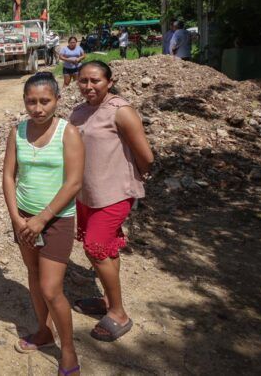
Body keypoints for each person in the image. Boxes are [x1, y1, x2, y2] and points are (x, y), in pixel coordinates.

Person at [2, 73, 83, 376]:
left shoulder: (68, 133)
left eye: (45, 101)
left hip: (56, 220)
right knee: (34, 276)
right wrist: (16, 217)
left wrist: (43, 218)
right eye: (31, 101)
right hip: (24, 219)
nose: (38, 108)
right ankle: (44, 331)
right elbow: (8, 175)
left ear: (57, 100)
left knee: (51, 288)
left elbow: (74, 183)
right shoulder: (17, 132)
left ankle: (69, 350)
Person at [69, 61, 153, 342]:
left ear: (109, 81)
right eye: (83, 81)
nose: (88, 86)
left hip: (114, 193)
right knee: (105, 247)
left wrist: (133, 180)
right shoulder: (78, 112)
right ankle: (107, 299)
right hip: (87, 193)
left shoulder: (121, 111)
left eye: (95, 80)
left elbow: (146, 156)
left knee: (95, 248)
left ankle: (119, 313)